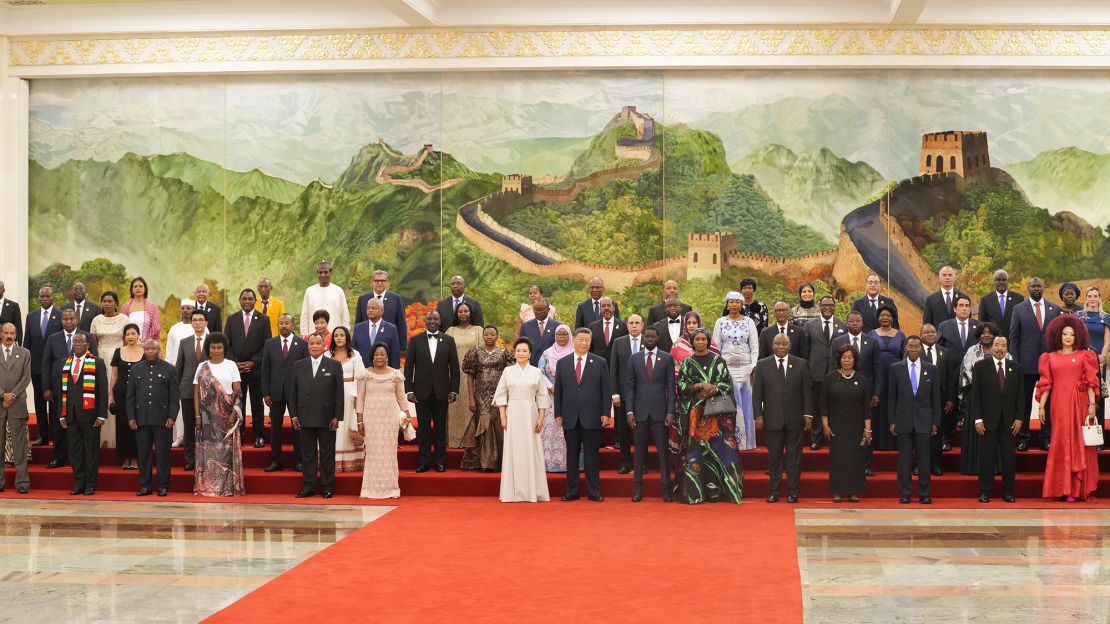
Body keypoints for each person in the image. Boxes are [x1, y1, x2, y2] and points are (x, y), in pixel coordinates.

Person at [674, 328, 742, 504]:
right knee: (697, 453)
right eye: (697, 339)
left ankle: (719, 493)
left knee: (719, 452)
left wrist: (713, 389)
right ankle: (695, 494)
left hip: (718, 417)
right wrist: (699, 386)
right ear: (692, 342)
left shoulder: (719, 361)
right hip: (696, 419)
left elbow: (727, 383)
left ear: (708, 341)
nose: (701, 342)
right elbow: (681, 385)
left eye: (704, 339)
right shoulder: (687, 363)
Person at [1037, 315, 1100, 502]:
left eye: (1072, 334)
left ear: (1078, 336)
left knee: (1078, 442)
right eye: (1065, 333)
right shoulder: (1049, 357)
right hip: (1058, 404)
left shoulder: (1085, 355)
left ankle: (1077, 489)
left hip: (1080, 403)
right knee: (1061, 440)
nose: (1068, 337)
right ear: (1058, 335)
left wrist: (1091, 404)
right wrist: (1041, 406)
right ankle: (1063, 488)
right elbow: (1046, 383)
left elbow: (1090, 382)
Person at [753, 333, 813, 503]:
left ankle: (793, 492)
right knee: (774, 458)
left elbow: (806, 392)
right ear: (772, 346)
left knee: (794, 458)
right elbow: (757, 394)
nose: (780, 347)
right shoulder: (762, 365)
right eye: (777, 344)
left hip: (795, 420)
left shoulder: (801, 364)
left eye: (784, 344)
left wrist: (808, 414)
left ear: (790, 346)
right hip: (772, 420)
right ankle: (774, 491)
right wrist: (758, 415)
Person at [554, 328, 611, 502]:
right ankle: (572, 491)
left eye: (587, 340)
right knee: (571, 455)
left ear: (590, 342)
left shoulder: (600, 362)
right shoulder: (562, 363)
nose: (584, 343)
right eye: (580, 339)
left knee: (591, 456)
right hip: (569, 416)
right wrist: (558, 413)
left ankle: (594, 491)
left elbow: (605, 390)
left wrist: (606, 413)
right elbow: (559, 391)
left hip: (592, 416)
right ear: (574, 340)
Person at [967, 336, 1023, 503]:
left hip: (1009, 422)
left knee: (1009, 459)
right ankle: (985, 491)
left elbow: (1021, 396)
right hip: (987, 421)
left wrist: (1019, 418)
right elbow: (975, 395)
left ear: (1007, 348)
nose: (1000, 348)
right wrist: (977, 419)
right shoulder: (980, 366)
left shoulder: (1015, 367)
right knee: (986, 458)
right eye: (997, 345)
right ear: (991, 347)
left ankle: (1008, 491)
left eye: (1003, 345)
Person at [495, 337, 551, 503]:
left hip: (530, 412)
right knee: (513, 449)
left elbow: (542, 395)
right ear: (514, 353)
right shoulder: (508, 371)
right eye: (518, 350)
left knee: (531, 449)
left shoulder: (536, 372)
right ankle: (511, 492)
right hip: (513, 412)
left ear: (530, 354)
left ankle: (534, 491)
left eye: (524, 351)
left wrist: (541, 417)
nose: (521, 353)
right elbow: (501, 394)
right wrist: (503, 416)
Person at [404, 310, 461, 472]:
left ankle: (440, 462)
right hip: (420, 392)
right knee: (423, 429)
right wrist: (409, 390)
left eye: (435, 318)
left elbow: (454, 368)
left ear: (440, 321)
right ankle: (423, 462)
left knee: (440, 428)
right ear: (425, 321)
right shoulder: (415, 340)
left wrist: (454, 390)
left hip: (443, 391)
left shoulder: (449, 341)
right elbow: (408, 368)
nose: (432, 321)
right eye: (429, 319)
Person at [1009, 277, 1061, 451]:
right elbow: (1014, 338)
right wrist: (1016, 364)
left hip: (1049, 365)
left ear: (1043, 287)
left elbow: (1057, 338)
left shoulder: (1054, 309)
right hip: (1025, 365)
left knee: (1048, 402)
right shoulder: (1018, 309)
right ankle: (1023, 438)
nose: (1036, 288)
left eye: (1039, 285)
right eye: (1033, 286)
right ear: (1028, 288)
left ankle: (1046, 438)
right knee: (1024, 403)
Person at [290, 333, 345, 498]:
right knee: (308, 453)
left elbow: (339, 394)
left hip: (327, 417)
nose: (314, 346)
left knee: (327, 453)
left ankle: (328, 486)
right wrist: (293, 416)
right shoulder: (299, 365)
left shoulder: (334, 365)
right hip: (304, 416)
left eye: (317, 343)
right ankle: (308, 486)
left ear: (324, 346)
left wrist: (337, 416)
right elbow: (293, 393)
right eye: (311, 343)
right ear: (308, 346)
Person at [42, 308, 98, 468]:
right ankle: (59, 457)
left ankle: (81, 458)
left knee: (78, 423)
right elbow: (46, 364)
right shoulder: (53, 339)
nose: (68, 321)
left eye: (71, 318)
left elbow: (94, 361)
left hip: (81, 390)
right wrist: (46, 387)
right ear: (61, 321)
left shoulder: (87, 337)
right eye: (65, 319)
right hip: (58, 388)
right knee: (57, 424)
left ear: (77, 319)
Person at [888, 335, 941, 504]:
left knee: (924, 460)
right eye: (910, 346)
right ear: (905, 348)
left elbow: (936, 399)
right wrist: (892, 421)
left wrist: (935, 422)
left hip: (924, 421)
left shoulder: (931, 369)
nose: (913, 349)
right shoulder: (895, 368)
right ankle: (905, 493)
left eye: (916, 346)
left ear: (921, 348)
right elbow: (891, 398)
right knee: (904, 461)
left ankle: (924, 494)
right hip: (903, 420)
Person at [623, 326, 674, 502]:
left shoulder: (667, 358)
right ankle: (637, 489)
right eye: (647, 336)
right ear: (644, 338)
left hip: (661, 413)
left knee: (663, 453)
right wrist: (629, 410)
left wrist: (670, 411)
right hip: (639, 412)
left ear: (658, 338)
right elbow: (629, 386)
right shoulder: (634, 359)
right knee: (639, 453)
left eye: (653, 336)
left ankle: (666, 489)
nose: (650, 338)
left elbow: (671, 387)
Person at [355, 343, 411, 498]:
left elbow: (401, 397)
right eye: (376, 354)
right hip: (370, 418)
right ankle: (369, 489)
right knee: (372, 453)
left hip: (390, 420)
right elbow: (360, 398)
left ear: (387, 356)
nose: (379, 357)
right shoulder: (364, 374)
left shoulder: (395, 375)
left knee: (389, 453)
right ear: (372, 356)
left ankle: (392, 488)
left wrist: (407, 416)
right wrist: (360, 421)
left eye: (382, 354)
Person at [192, 332, 244, 497]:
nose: (216, 350)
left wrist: (234, 414)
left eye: (219, 347)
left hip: (227, 416)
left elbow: (237, 392)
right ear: (208, 348)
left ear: (224, 348)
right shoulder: (202, 367)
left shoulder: (231, 365)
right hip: (207, 418)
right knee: (209, 453)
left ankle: (227, 488)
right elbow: (196, 394)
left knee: (225, 453)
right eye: (213, 347)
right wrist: (198, 416)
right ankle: (207, 487)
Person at [830, 311, 881, 473]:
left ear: (862, 322)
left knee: (865, 428)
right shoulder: (838, 342)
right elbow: (832, 367)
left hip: (865, 393)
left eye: (857, 321)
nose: (854, 324)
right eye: (851, 321)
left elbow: (877, 369)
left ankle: (865, 465)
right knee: (846, 429)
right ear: (847, 323)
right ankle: (845, 464)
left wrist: (876, 393)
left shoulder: (872, 342)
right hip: (843, 393)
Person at [57, 333, 108, 496]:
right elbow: (61, 391)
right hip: (70, 415)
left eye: (81, 341)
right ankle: (79, 482)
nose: (77, 344)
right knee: (75, 451)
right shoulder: (65, 363)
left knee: (91, 450)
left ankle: (90, 484)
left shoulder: (97, 362)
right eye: (75, 341)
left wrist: (102, 415)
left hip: (91, 415)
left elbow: (103, 390)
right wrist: (61, 415)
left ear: (88, 345)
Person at [126, 339, 178, 497]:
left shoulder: (169, 369)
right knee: (143, 454)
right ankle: (145, 485)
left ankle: (163, 485)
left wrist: (172, 416)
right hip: (141, 419)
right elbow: (130, 397)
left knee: (163, 455)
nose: (149, 351)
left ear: (158, 349)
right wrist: (131, 417)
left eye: (153, 349)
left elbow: (174, 396)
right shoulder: (136, 369)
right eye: (147, 348)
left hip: (162, 419)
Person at [821, 343, 871, 502]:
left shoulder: (862, 380)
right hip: (836, 426)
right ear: (839, 359)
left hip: (856, 426)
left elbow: (866, 407)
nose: (847, 360)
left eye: (850, 357)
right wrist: (825, 425)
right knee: (838, 459)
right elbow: (823, 404)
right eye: (844, 357)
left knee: (855, 458)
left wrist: (868, 429)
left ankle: (853, 491)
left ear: (855, 360)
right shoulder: (830, 378)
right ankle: (837, 491)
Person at [260, 313, 308, 472]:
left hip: (296, 393)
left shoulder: (302, 344)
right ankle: (275, 460)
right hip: (275, 393)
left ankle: (299, 460)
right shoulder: (270, 344)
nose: (284, 326)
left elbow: (305, 370)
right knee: (275, 429)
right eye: (281, 323)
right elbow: (265, 370)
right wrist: (266, 392)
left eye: (287, 323)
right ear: (278, 325)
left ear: (292, 325)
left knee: (297, 428)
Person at [225, 288, 272, 448]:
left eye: (250, 299)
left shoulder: (264, 319)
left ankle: (259, 434)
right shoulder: (231, 319)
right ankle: (240, 433)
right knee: (238, 402)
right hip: (236, 370)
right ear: (240, 300)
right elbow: (227, 345)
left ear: (255, 301)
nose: (247, 301)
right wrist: (235, 363)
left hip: (256, 369)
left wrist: (253, 362)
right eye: (244, 298)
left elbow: (267, 345)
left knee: (257, 404)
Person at [461, 326, 512, 471]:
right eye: (486, 334)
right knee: (483, 423)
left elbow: (510, 375)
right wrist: (471, 397)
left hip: (499, 394)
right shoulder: (475, 353)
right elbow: (470, 376)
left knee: (497, 425)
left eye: (492, 334)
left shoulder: (505, 353)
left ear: (497, 336)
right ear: (483, 336)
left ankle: (498, 462)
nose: (489, 337)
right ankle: (483, 462)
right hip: (480, 394)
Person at [713, 292, 759, 451]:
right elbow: (715, 348)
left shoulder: (749, 322)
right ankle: (727, 441)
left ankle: (746, 443)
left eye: (737, 302)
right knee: (729, 405)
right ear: (727, 305)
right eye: (730, 302)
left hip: (746, 369)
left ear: (742, 305)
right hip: (727, 370)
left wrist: (753, 367)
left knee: (745, 405)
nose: (733, 305)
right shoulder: (720, 322)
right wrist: (719, 370)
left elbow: (754, 347)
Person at [958, 322, 1006, 475]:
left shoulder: (1002, 350)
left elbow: (1006, 372)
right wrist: (987, 385)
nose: (986, 335)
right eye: (983, 332)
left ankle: (996, 466)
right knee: (978, 431)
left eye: (990, 332)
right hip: (976, 396)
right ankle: (974, 466)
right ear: (979, 334)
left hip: (997, 397)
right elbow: (967, 372)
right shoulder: (972, 351)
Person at [801, 296, 847, 451]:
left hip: (837, 372)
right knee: (817, 406)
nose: (827, 307)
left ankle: (836, 438)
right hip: (816, 371)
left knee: (837, 406)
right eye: (824, 305)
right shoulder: (810, 326)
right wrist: (806, 370)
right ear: (819, 307)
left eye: (830, 305)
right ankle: (816, 438)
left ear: (835, 307)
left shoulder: (842, 325)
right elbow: (806, 351)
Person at [24, 286, 60, 448]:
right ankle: (42, 435)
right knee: (39, 403)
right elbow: (27, 344)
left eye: (48, 296)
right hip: (36, 368)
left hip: (55, 369)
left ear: (53, 297)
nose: (45, 298)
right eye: (42, 296)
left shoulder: (60, 316)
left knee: (54, 404)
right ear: (39, 298)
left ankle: (55, 435)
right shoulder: (31, 317)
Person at [174, 309, 210, 472]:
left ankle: (208, 458)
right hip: (187, 390)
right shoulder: (185, 342)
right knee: (189, 426)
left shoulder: (212, 341)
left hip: (209, 391)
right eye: (194, 320)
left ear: (206, 323)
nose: (197, 322)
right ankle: (190, 459)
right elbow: (179, 367)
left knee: (208, 426)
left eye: (200, 320)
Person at [608, 313, 644, 473]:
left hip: (643, 395)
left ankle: (641, 463)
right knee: (623, 432)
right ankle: (625, 462)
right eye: (631, 323)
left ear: (642, 325)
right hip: (622, 395)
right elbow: (613, 369)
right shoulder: (619, 342)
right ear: (627, 325)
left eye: (637, 323)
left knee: (641, 431)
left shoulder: (649, 341)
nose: (634, 326)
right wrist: (614, 393)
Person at [920, 323, 956, 475]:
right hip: (920, 399)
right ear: (921, 334)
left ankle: (936, 464)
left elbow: (950, 378)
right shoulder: (915, 350)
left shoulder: (944, 352)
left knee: (937, 432)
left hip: (940, 398)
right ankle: (919, 465)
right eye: (926, 332)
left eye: (933, 332)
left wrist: (950, 398)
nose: (930, 334)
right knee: (921, 433)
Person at [868, 304, 905, 452]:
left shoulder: (901, 335)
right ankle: (877, 442)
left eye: (888, 315)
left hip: (896, 377)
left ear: (893, 318)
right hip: (877, 377)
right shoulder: (871, 334)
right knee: (877, 406)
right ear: (878, 318)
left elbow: (905, 357)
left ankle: (894, 442)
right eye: (882, 315)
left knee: (894, 405)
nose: (885, 317)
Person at [446, 302, 484, 448]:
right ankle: (455, 440)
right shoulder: (450, 330)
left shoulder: (478, 330)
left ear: (471, 313)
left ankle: (471, 441)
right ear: (456, 314)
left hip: (473, 375)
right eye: (460, 311)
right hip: (454, 375)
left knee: (472, 406)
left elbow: (482, 352)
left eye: (466, 311)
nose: (463, 313)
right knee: (455, 407)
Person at [0, 322, 32, 493]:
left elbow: (26, 378)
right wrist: (2, 395)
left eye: (12, 332)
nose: (9, 336)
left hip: (17, 403)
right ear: (1, 334)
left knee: (19, 445)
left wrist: (11, 395)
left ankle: (22, 483)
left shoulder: (25, 353)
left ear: (16, 334)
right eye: (6, 332)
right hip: (0, 403)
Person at [537, 324, 573, 472]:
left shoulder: (574, 352)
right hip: (551, 397)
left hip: (571, 397)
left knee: (568, 428)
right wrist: (550, 387)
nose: (562, 336)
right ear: (555, 336)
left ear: (570, 335)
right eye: (559, 334)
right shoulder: (547, 353)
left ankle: (570, 463)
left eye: (565, 334)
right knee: (551, 428)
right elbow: (540, 372)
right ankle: (550, 464)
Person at [1076, 286, 1109, 445]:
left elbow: (1107, 339)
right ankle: (1081, 436)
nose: (1093, 298)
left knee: (1098, 397)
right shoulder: (1079, 316)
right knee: (1083, 394)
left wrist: (1103, 355)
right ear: (1086, 298)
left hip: (1099, 361)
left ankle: (1098, 439)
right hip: (1082, 360)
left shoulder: (1105, 317)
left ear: (1099, 298)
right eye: (1090, 295)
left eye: (1096, 295)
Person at [330, 327, 366, 473]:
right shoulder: (327, 355)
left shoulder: (355, 355)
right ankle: (334, 461)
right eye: (336, 335)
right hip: (331, 396)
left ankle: (352, 461)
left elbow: (361, 377)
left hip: (351, 396)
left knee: (348, 427)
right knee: (335, 427)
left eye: (342, 335)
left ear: (347, 338)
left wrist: (358, 397)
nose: (339, 338)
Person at [164, 298, 195, 450]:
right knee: (178, 405)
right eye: (183, 308)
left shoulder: (200, 327)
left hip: (193, 373)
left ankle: (193, 437)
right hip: (176, 373)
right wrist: (169, 371)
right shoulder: (174, 329)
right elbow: (169, 351)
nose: (186, 311)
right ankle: (178, 437)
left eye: (189, 308)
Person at [109, 324, 141, 470]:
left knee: (135, 425)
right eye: (127, 334)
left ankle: (135, 457)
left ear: (138, 335)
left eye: (133, 334)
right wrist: (111, 396)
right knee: (122, 425)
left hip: (139, 394)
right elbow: (114, 375)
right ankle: (125, 457)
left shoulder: (144, 352)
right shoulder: (118, 351)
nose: (130, 337)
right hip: (120, 393)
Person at [355, 270, 407, 355]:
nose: (380, 283)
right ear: (372, 282)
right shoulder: (363, 299)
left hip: (390, 346)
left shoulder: (396, 299)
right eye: (377, 281)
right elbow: (358, 323)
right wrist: (355, 345)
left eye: (382, 281)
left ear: (387, 283)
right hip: (367, 346)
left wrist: (403, 347)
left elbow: (402, 323)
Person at [300, 261, 349, 336]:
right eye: (320, 272)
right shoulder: (309, 291)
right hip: (314, 339)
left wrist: (345, 334)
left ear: (330, 272)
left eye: (326, 272)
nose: (323, 275)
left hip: (334, 337)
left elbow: (345, 316)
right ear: (317, 273)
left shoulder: (338, 291)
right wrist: (305, 335)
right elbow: (304, 316)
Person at [352, 298, 401, 369]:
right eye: (368, 308)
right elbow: (353, 351)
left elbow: (395, 354)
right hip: (362, 372)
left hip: (383, 373)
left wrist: (395, 373)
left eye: (373, 308)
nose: (370, 310)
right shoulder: (358, 328)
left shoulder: (391, 329)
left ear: (382, 311)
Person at [978, 269, 1023, 336]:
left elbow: (1022, 322)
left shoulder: (1018, 299)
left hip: (1013, 340)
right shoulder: (985, 300)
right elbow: (982, 324)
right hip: (993, 342)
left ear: (1008, 281)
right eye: (998, 280)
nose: (1001, 282)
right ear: (994, 282)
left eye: (1004, 280)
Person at [518, 297, 557, 365]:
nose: (539, 312)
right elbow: (522, 346)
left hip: (550, 365)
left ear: (548, 310)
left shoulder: (557, 326)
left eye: (542, 310)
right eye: (536, 310)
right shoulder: (526, 326)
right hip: (531, 365)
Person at [121, 276, 160, 342]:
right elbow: (122, 327)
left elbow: (156, 329)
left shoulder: (153, 307)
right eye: (135, 286)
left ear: (145, 289)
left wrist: (145, 342)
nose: (138, 288)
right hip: (130, 345)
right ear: (132, 290)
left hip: (148, 346)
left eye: (140, 286)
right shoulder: (125, 307)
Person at [588, 296, 626, 362]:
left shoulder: (623, 326)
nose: (606, 308)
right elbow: (590, 348)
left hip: (617, 364)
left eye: (608, 305)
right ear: (600, 308)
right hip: (598, 365)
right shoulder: (593, 326)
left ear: (614, 308)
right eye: (603, 306)